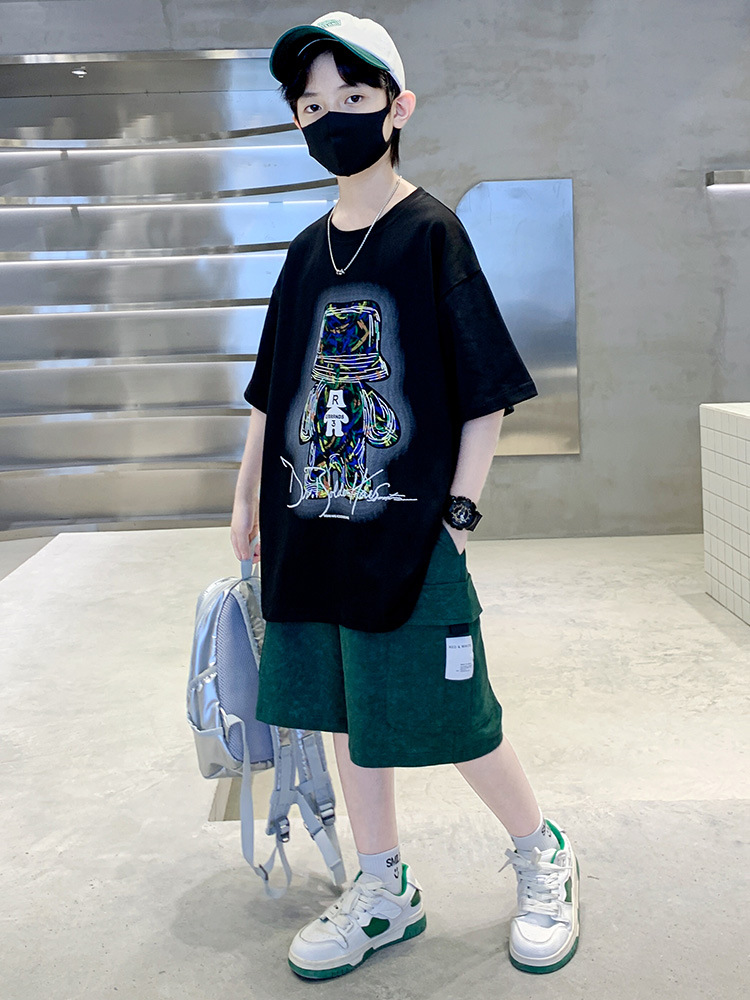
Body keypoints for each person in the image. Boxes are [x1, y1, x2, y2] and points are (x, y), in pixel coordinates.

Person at [230, 10, 580, 981]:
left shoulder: (431, 233)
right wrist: (246, 496)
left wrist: (457, 518)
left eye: (352, 96)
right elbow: (271, 389)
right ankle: (383, 888)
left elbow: (486, 391)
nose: (331, 117)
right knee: (346, 714)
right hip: (311, 530)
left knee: (452, 714)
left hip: (410, 533)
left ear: (398, 107)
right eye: (312, 105)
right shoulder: (305, 251)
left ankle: (542, 851)